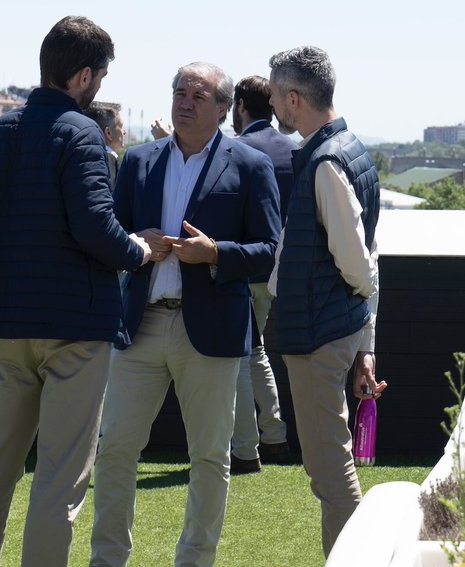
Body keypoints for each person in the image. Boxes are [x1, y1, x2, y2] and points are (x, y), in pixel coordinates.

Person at [0, 15, 151, 567]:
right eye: (100, 78)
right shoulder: (81, 132)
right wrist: (141, 250)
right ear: (84, 77)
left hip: (6, 325)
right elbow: (96, 230)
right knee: (60, 478)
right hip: (75, 330)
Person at [89, 62, 281, 567]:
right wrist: (137, 244)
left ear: (223, 108)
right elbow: (110, 237)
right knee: (113, 450)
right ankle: (107, 559)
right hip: (141, 324)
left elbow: (268, 250)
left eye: (199, 94)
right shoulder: (138, 161)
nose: (186, 101)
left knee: (210, 457)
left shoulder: (250, 165)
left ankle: (194, 561)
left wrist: (216, 253)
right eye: (180, 92)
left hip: (212, 330)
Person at [266, 45, 387, 556]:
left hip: (317, 335)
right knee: (331, 469)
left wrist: (359, 338)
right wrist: (365, 344)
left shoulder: (326, 161)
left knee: (330, 474)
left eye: (275, 97)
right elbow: (368, 258)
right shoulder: (349, 149)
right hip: (332, 330)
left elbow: (360, 265)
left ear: (294, 99)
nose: (273, 107)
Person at [229, 75, 295, 473]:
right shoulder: (296, 150)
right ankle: (274, 438)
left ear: (240, 105)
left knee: (241, 355)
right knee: (255, 351)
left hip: (243, 264)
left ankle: (246, 449)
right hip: (280, 270)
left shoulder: (236, 150)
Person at [84, 101, 125, 183]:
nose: (124, 132)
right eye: (121, 127)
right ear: (108, 133)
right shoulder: (109, 161)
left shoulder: (85, 158)